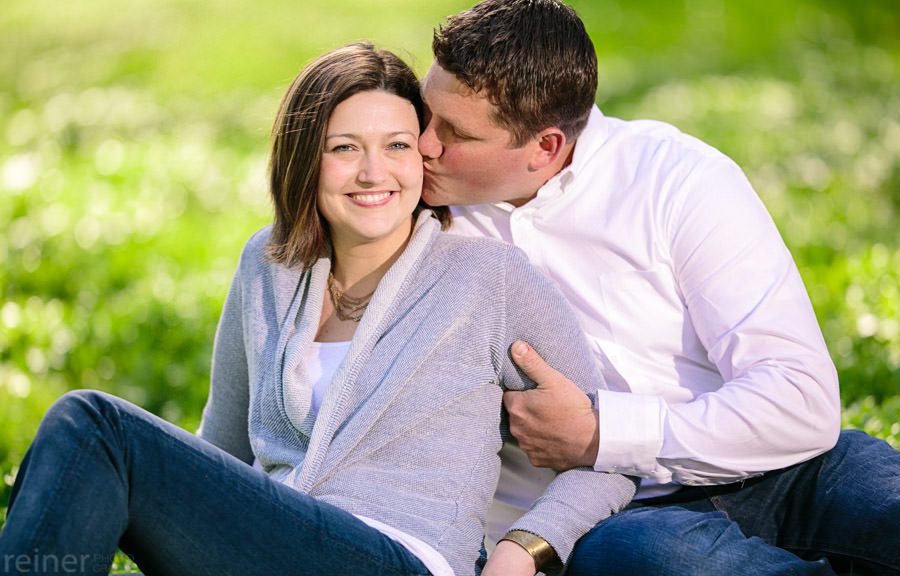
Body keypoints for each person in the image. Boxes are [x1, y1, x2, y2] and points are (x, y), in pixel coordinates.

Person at [0, 42, 637, 576]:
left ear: (423, 153)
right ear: (307, 157)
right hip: (272, 543)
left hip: (401, 557)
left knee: (95, 425)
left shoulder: (486, 277)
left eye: (397, 145)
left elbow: (606, 460)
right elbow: (221, 449)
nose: (373, 173)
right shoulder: (269, 265)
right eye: (345, 148)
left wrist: (521, 550)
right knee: (87, 446)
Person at [417, 1, 900, 574]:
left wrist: (603, 433)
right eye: (426, 114)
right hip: (631, 518)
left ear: (545, 146)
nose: (423, 144)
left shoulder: (677, 178)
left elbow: (800, 399)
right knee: (639, 555)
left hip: (790, 471)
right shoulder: (419, 219)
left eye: (455, 133)